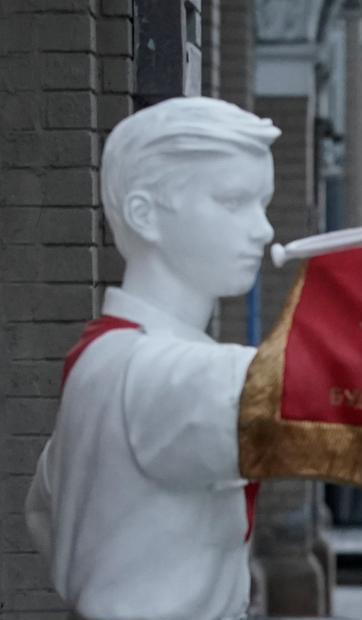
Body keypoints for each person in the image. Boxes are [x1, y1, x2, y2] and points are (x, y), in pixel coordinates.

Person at [25, 97, 280, 620]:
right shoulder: (161, 373)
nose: (264, 229)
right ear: (145, 215)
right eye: (234, 201)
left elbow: (43, 511)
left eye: (263, 203)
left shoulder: (105, 358)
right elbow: (341, 391)